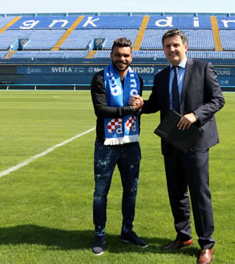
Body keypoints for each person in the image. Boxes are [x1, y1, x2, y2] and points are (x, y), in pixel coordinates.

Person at [136, 29, 225, 264]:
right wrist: (141, 104)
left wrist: (195, 115)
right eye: (167, 46)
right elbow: (155, 105)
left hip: (196, 142)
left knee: (199, 194)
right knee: (176, 193)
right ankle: (183, 236)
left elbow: (218, 100)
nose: (172, 50)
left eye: (175, 45)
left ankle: (206, 244)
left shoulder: (203, 68)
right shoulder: (161, 76)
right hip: (171, 140)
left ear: (185, 46)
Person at [90, 37, 147, 256]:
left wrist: (139, 108)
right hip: (106, 144)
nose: (122, 59)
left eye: (126, 55)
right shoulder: (99, 78)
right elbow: (101, 110)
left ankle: (127, 231)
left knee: (131, 191)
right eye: (118, 55)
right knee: (100, 192)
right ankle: (100, 234)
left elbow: (139, 107)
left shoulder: (137, 79)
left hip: (131, 144)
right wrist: (129, 110)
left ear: (131, 57)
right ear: (111, 55)